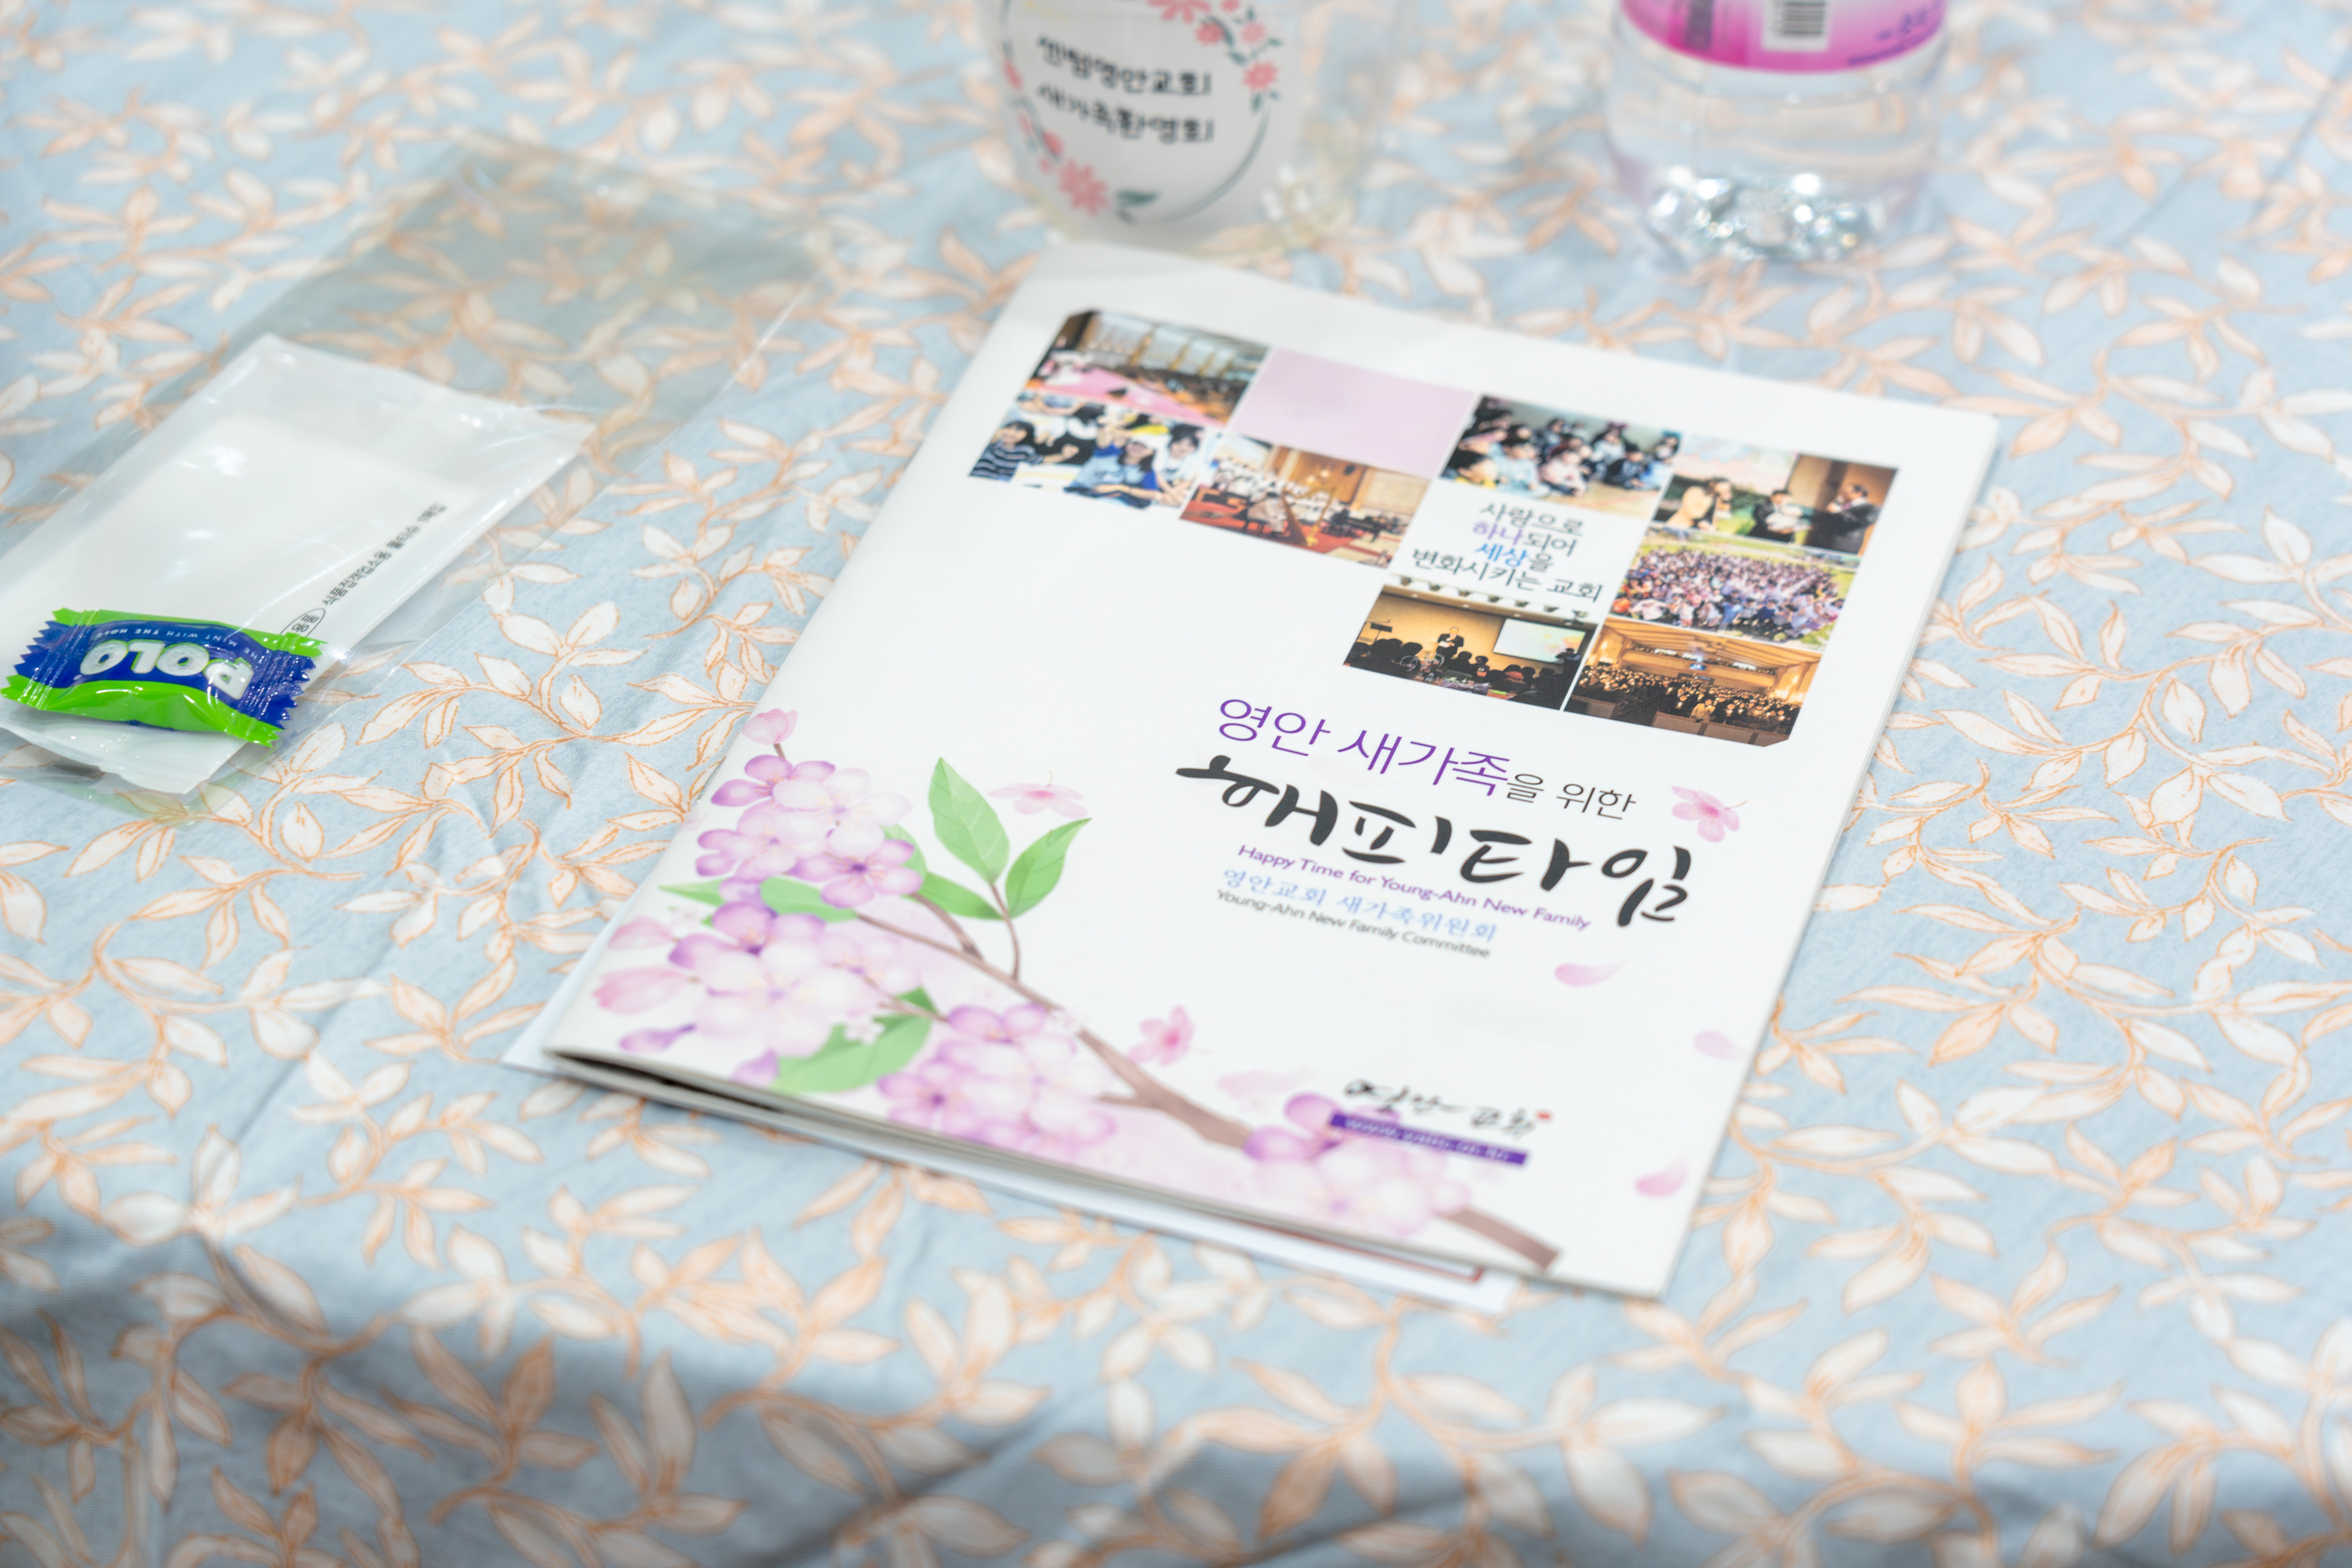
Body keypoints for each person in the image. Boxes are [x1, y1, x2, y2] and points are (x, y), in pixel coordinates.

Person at [1065, 437, 1162, 507]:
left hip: (1107, 499)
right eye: (1135, 444)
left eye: (1143, 447)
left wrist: (1120, 488)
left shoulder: (1146, 470)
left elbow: (1155, 495)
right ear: (1128, 444)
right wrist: (1102, 425)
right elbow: (1102, 442)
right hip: (1079, 490)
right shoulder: (1111, 453)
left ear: (1151, 451)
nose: (1137, 448)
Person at [971, 419, 1042, 481]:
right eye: (1008, 428)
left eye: (1018, 430)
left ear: (1027, 435)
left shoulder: (1024, 450)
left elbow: (1039, 460)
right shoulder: (992, 444)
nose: (1011, 432)